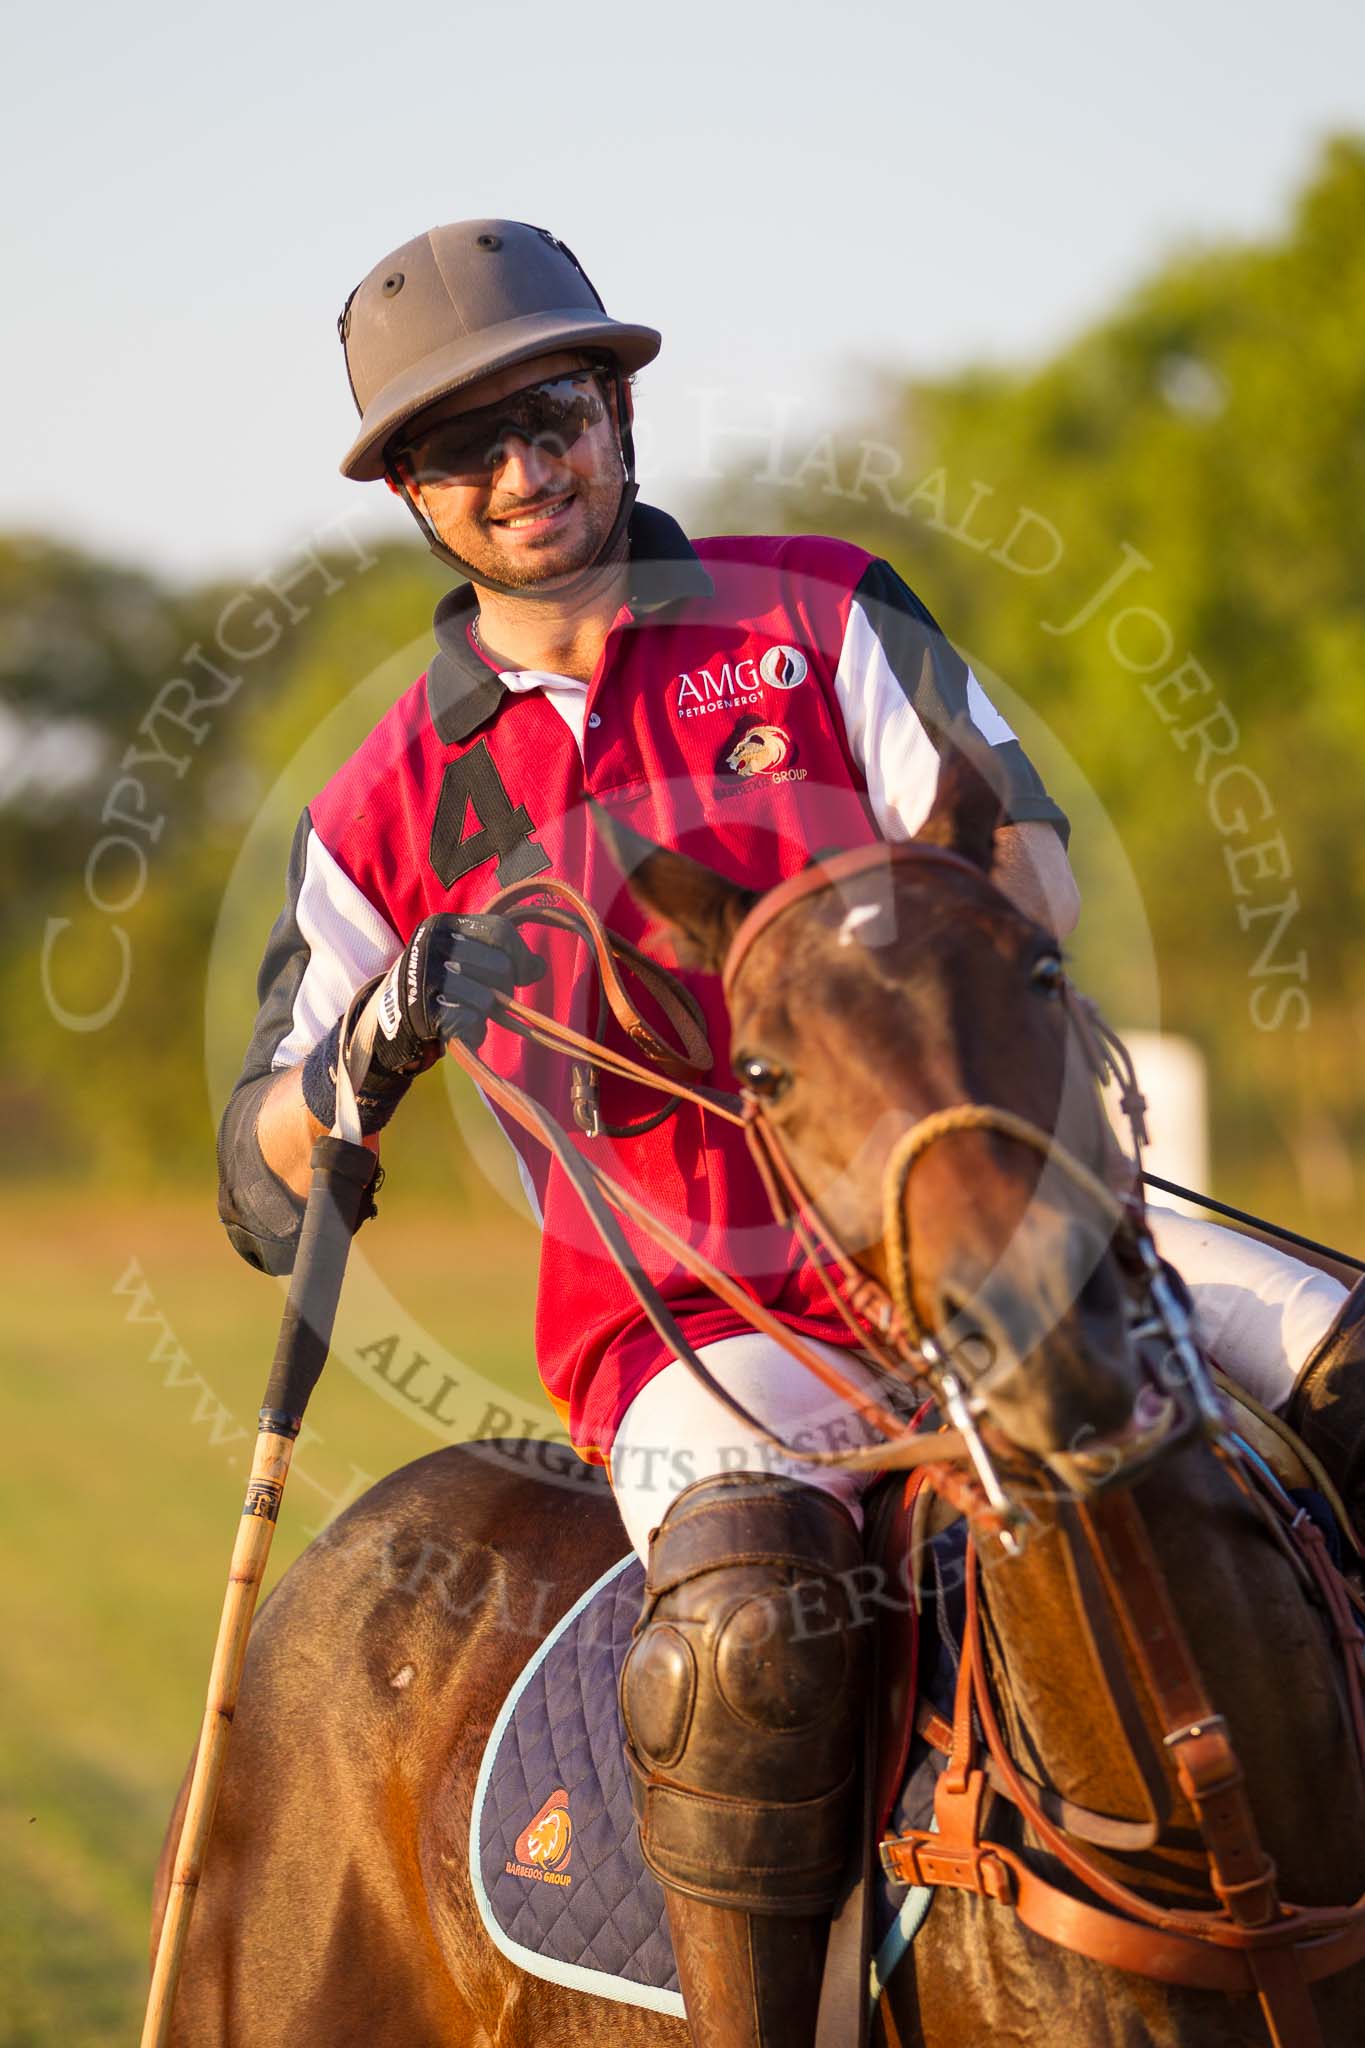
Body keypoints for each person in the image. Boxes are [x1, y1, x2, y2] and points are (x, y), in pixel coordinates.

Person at [218, 220, 1362, 2047]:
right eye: (468, 448)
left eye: (559, 414)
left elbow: (1029, 866)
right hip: (703, 1318)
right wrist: (386, 1019)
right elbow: (262, 1166)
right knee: (746, 1638)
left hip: (995, 1209)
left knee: (1358, 1367)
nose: (527, 473)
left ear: (618, 412)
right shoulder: (387, 796)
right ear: (413, 494)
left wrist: (895, 920)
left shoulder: (812, 611)